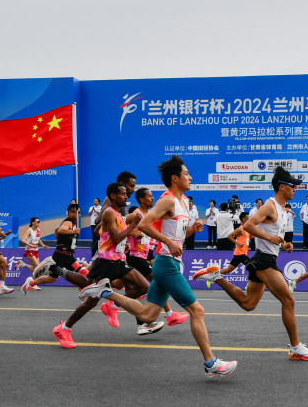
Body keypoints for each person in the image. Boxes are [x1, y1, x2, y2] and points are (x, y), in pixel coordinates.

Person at [67, 156, 236, 377]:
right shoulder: (167, 201)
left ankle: (105, 292)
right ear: (175, 178)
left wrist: (192, 229)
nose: (190, 177)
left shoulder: (183, 202)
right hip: (166, 264)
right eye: (186, 174)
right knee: (197, 310)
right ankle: (210, 363)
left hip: (170, 262)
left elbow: (177, 234)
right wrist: (167, 242)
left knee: (147, 315)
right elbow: (145, 224)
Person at [192, 167, 308, 361]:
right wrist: (270, 237)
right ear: (282, 187)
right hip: (264, 261)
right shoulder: (270, 205)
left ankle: (217, 277)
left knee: (248, 304)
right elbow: (249, 225)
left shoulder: (283, 209)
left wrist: (285, 244)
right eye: (293, 186)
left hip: (264, 258)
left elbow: (274, 236)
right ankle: (295, 347)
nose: (296, 189)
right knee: (288, 301)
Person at [54, 181, 153, 344]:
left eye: (126, 194)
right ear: (113, 196)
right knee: (91, 301)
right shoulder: (109, 213)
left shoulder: (119, 213)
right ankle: (63, 328)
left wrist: (122, 242)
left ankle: (112, 306)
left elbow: (100, 231)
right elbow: (115, 238)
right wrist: (132, 227)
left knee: (144, 287)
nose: (126, 196)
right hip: (106, 263)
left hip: (119, 261)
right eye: (123, 193)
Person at [123, 187, 189, 333]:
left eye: (152, 196)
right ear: (142, 199)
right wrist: (132, 232)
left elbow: (151, 234)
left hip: (147, 255)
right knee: (154, 282)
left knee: (139, 286)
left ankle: (146, 321)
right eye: (150, 196)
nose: (153, 198)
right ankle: (169, 315)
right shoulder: (136, 213)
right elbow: (118, 225)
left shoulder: (152, 215)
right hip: (134, 256)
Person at [214, 212, 251, 281]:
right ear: (243, 219)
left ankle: (212, 276)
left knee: (229, 270)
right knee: (251, 266)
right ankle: (249, 285)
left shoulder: (247, 229)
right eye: (248, 218)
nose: (249, 219)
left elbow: (248, 239)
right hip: (240, 253)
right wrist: (237, 243)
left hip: (240, 253)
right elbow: (229, 236)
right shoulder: (240, 229)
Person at [18, 216, 50, 294]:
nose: (38, 223)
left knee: (37, 268)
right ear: (32, 222)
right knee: (38, 268)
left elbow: (38, 239)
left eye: (39, 221)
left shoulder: (38, 230)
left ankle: (23, 265)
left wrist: (43, 245)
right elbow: (23, 240)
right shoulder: (29, 230)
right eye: (37, 221)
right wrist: (31, 245)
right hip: (29, 250)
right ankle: (32, 283)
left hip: (36, 251)